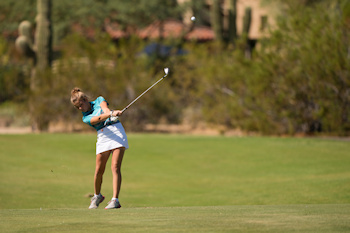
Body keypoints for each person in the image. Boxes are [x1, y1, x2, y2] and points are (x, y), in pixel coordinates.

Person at [70, 87, 129, 209]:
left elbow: (105, 109)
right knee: (98, 170)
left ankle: (115, 200)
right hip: (103, 136)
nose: (80, 109)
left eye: (81, 105)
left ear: (85, 99)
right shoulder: (85, 117)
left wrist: (110, 113)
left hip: (116, 132)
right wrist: (111, 114)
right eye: (77, 107)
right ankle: (97, 196)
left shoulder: (99, 100)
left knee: (115, 166)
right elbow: (98, 119)